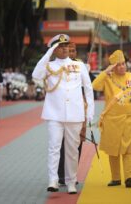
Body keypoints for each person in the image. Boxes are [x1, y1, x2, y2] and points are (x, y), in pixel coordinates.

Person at [32, 34, 94, 194]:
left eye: (66, 45)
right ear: (54, 49)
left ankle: (71, 181)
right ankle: (53, 179)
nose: (65, 48)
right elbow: (36, 76)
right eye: (60, 46)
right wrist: (48, 54)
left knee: (72, 149)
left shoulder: (79, 66)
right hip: (54, 114)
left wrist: (91, 112)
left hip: (75, 113)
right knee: (54, 147)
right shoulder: (49, 66)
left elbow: (88, 88)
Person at [92, 50, 131, 188]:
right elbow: (95, 86)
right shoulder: (108, 78)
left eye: (123, 64)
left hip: (129, 120)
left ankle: (129, 177)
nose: (122, 67)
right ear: (113, 67)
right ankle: (116, 178)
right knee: (113, 149)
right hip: (111, 121)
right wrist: (106, 72)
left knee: (128, 149)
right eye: (118, 65)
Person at [57, 42, 87, 186]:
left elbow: (89, 88)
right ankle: (61, 175)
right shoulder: (58, 66)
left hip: (79, 109)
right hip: (62, 110)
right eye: (69, 50)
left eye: (74, 50)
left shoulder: (81, 67)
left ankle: (72, 175)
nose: (71, 52)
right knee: (62, 144)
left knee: (77, 144)